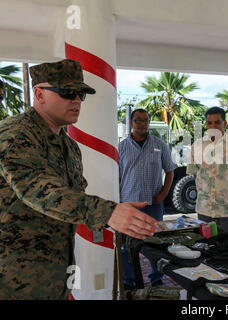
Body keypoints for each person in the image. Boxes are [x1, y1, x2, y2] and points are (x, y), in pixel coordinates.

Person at [0, 59, 158, 299]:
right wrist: (107, 213)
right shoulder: (15, 134)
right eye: (67, 92)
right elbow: (40, 190)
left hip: (55, 271)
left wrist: (115, 216)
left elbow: (74, 196)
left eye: (80, 94)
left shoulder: (69, 146)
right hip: (13, 277)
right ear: (39, 94)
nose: (76, 100)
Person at [119, 108, 177, 288]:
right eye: (138, 120)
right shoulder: (120, 147)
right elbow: (115, 175)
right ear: (131, 123)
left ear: (149, 123)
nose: (142, 124)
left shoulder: (160, 145)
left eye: (145, 120)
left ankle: (157, 281)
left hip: (153, 205)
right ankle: (130, 282)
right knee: (127, 248)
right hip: (129, 206)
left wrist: (164, 194)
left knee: (156, 246)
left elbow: (170, 170)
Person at [186, 107, 228, 238]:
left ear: (225, 123)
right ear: (206, 124)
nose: (213, 126)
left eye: (217, 122)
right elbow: (195, 173)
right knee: (207, 249)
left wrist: (226, 183)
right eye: (209, 123)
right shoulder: (197, 146)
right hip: (204, 210)